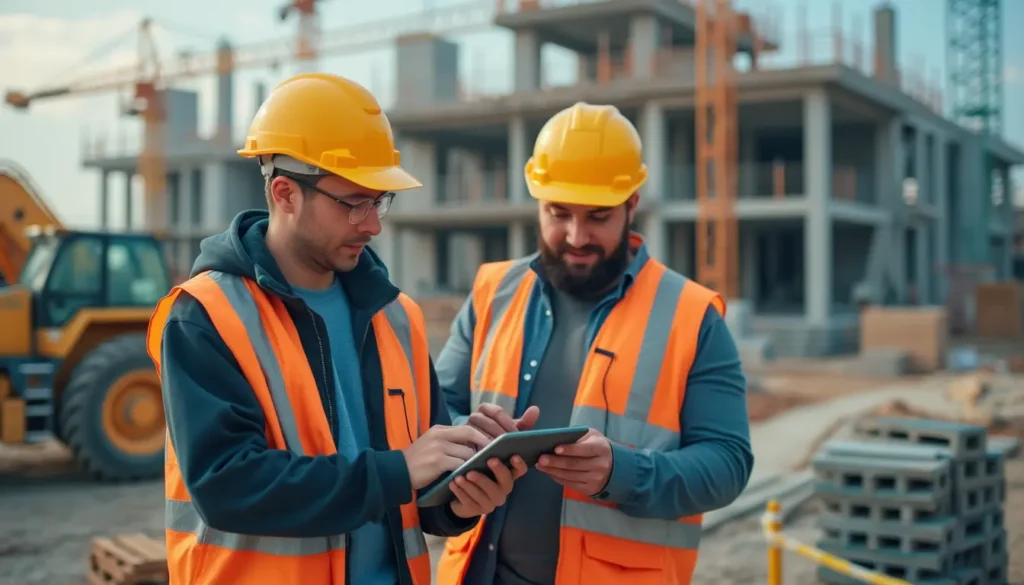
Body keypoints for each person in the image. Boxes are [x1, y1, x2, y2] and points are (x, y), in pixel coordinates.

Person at [146, 72, 527, 585]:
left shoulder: (396, 317)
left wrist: (465, 496)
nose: (373, 225)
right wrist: (397, 471)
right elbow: (228, 486)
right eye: (354, 203)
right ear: (285, 193)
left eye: (380, 201)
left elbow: (419, 491)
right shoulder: (207, 314)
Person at [432, 102, 754, 585]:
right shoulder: (492, 292)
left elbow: (727, 464)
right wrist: (471, 440)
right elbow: (435, 410)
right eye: (558, 214)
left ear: (632, 204)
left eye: (598, 216)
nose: (576, 236)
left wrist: (620, 473)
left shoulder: (692, 315)